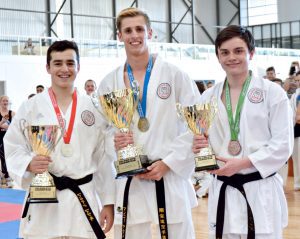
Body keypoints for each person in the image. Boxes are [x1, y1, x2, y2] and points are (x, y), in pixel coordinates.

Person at [98, 7, 200, 239]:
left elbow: (195, 125)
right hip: (129, 177)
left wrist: (170, 162)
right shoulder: (108, 83)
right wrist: (113, 141)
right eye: (128, 30)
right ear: (119, 36)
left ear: (150, 33)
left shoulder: (175, 75)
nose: (134, 35)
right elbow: (102, 133)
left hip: (168, 173)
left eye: (139, 29)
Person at [4, 40, 115, 239]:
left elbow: (103, 157)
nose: (64, 69)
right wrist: (28, 163)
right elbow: (12, 145)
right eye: (57, 63)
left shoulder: (94, 108)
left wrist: (108, 200)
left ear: (78, 67)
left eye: (70, 63)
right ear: (48, 68)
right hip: (44, 199)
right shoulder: (31, 107)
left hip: (82, 198)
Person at [193, 25, 293, 239]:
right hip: (223, 189)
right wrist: (199, 148)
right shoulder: (207, 97)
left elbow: (283, 144)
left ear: (251, 53)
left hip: (259, 188)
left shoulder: (272, 93)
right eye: (225, 52)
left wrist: (245, 162)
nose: (231, 58)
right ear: (217, 56)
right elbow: (202, 140)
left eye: (238, 51)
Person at [0, 95, 15, 188]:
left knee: (8, 157)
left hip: (8, 138)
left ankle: (7, 175)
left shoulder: (12, 113)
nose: (5, 102)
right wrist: (2, 122)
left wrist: (8, 127)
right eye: (3, 101)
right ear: (0, 102)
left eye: (7, 101)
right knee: (2, 156)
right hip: (0, 137)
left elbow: (16, 126)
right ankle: (5, 176)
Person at [290, 88, 300, 191]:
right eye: (297, 80)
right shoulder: (294, 96)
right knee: (297, 158)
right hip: (297, 129)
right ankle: (298, 183)